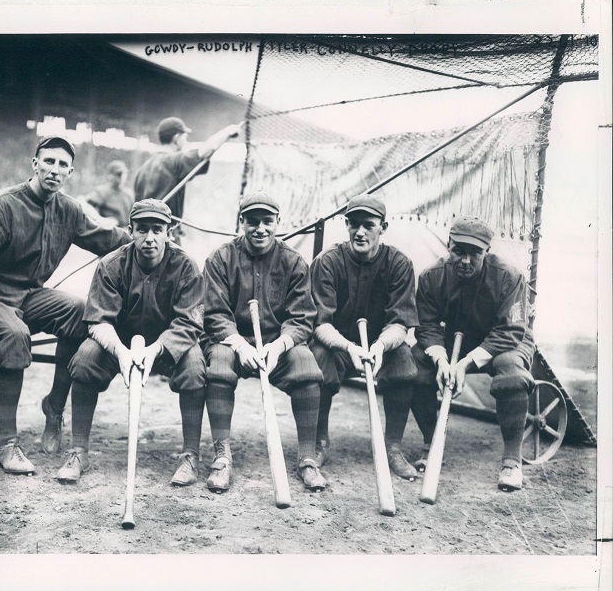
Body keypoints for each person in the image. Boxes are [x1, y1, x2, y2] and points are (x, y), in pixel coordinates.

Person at [0, 136, 131, 475]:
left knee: (81, 314)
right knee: (15, 335)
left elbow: (108, 240)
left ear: (71, 172)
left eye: (62, 164)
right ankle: (6, 445)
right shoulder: (5, 204)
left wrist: (142, 237)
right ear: (34, 164)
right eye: (48, 161)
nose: (55, 169)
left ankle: (54, 406)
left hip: (29, 295)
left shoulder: (70, 210)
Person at [57, 199, 206, 484]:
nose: (150, 238)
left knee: (195, 364)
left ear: (169, 232)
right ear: (130, 230)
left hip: (165, 347)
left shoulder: (186, 266)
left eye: (157, 229)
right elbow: (98, 321)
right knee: (86, 357)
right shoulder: (112, 264)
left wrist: (156, 350)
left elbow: (189, 323)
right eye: (142, 229)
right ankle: (78, 451)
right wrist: (120, 352)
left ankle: (190, 456)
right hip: (121, 346)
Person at [202, 192, 326, 492]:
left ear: (277, 223)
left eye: (267, 221)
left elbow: (301, 318)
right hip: (232, 342)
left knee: (306, 363)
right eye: (253, 221)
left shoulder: (293, 261)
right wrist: (240, 346)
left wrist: (279, 345)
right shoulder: (220, 258)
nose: (260, 228)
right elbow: (215, 314)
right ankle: (222, 455)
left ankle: (308, 458)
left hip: (276, 344)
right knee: (217, 362)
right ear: (241, 222)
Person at [411, 216, 536, 491]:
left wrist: (466, 363)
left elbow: (511, 330)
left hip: (505, 340)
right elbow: (426, 325)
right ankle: (431, 443)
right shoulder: (431, 277)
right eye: (459, 251)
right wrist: (442, 360)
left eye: (475, 253)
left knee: (512, 371)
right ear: (448, 246)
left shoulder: (509, 276)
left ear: (487, 252)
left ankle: (512, 461)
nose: (465, 261)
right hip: (454, 341)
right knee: (415, 365)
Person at [309, 194, 420, 479]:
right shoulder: (328, 262)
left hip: (382, 346)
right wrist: (349, 347)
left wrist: (381, 346)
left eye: (368, 225)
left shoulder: (399, 264)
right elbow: (320, 323)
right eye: (354, 224)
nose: (360, 232)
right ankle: (319, 441)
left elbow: (401, 323)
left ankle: (393, 447)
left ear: (383, 227)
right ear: (346, 224)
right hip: (339, 344)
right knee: (319, 360)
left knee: (405, 365)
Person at [133, 116, 242, 244]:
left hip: (142, 239)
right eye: (185, 137)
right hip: (164, 238)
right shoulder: (173, 161)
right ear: (176, 138)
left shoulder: (142, 169)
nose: (186, 141)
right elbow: (207, 150)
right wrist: (228, 131)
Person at [83, 160, 134, 226]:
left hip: (125, 230)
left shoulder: (129, 194)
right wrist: (100, 219)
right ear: (110, 176)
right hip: (108, 229)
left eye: (124, 174)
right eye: (118, 174)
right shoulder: (102, 191)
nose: (122, 177)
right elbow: (84, 204)